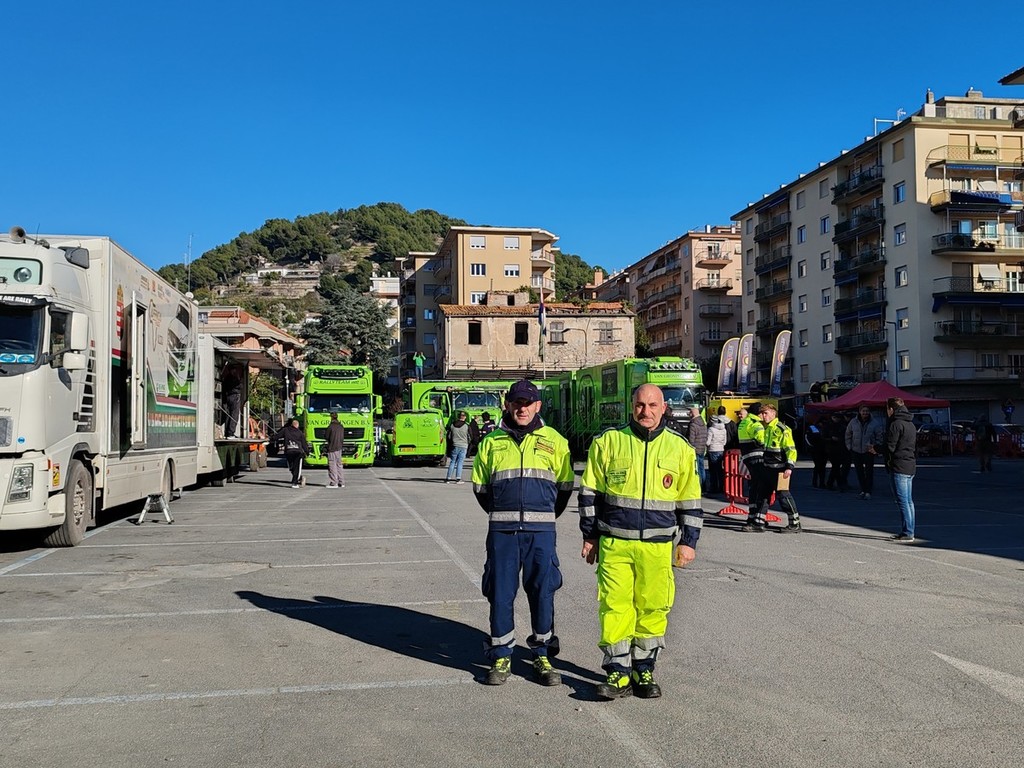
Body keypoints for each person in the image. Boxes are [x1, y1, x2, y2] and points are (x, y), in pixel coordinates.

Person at [579, 384, 702, 700]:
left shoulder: (680, 448)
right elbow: (589, 493)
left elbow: (690, 500)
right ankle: (618, 672)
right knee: (615, 607)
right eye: (639, 405)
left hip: (658, 547)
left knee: (653, 607)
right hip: (615, 544)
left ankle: (643, 669)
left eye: (652, 405)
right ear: (631, 406)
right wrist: (590, 535)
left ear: (663, 408)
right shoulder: (608, 442)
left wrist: (689, 541)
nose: (645, 411)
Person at [472, 379, 574, 686]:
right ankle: (501, 654)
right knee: (500, 593)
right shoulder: (491, 442)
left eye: (528, 403)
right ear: (508, 404)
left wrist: (545, 516)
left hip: (540, 532)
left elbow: (565, 487)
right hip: (502, 533)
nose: (522, 408)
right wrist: (501, 514)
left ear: (537, 406)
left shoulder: (555, 441)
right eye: (517, 402)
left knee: (542, 591)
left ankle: (542, 653)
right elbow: (481, 488)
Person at [753, 402, 801, 533]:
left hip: (780, 470)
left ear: (773, 414)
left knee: (784, 496)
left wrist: (789, 467)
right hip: (767, 468)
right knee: (763, 495)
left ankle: (795, 524)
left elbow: (790, 449)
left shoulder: (782, 429)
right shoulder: (765, 428)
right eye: (762, 413)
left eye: (766, 413)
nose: (763, 416)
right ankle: (758, 523)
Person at [885, 397, 917, 542]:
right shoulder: (910, 423)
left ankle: (908, 532)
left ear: (891, 409)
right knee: (908, 501)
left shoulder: (896, 424)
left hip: (899, 465)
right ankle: (908, 530)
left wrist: (876, 449)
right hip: (910, 464)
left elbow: (890, 446)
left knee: (903, 501)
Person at [738, 403, 770, 532]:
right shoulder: (757, 424)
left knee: (753, 487)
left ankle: (752, 516)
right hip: (758, 458)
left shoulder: (744, 422)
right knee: (761, 488)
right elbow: (762, 440)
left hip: (747, 457)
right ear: (759, 413)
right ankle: (758, 519)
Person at [846, 406, 883, 499]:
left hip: (869, 450)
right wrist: (849, 447)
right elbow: (848, 434)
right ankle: (863, 489)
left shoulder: (874, 423)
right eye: (863, 411)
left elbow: (879, 436)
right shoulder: (853, 422)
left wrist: (875, 447)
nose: (865, 413)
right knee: (859, 471)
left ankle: (868, 491)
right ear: (859, 412)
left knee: (869, 471)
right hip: (856, 450)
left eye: (867, 411)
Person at [275, 418, 309, 488]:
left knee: (291, 467)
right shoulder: (300, 433)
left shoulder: (286, 430)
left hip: (289, 451)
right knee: (296, 467)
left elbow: (277, 436)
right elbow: (304, 443)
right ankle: (295, 482)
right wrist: (307, 452)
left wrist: (271, 438)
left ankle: (296, 480)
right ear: (297, 426)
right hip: (298, 452)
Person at [823, 413, 851, 491]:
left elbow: (846, 436)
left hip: (841, 449)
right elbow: (823, 437)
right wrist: (831, 439)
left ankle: (834, 483)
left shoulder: (842, 426)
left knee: (836, 467)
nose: (836, 419)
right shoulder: (827, 426)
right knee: (836, 466)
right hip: (831, 449)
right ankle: (837, 483)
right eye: (834, 417)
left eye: (838, 417)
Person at [705, 406, 730, 495]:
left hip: (713, 450)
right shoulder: (724, 429)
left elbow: (708, 442)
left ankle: (714, 487)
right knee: (720, 470)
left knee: (713, 471)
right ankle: (722, 486)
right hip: (721, 450)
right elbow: (725, 442)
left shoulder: (711, 429)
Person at [445, 411, 471, 484]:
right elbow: (470, 436)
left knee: (452, 461)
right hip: (463, 445)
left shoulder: (452, 425)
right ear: (464, 417)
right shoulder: (466, 426)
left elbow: (449, 436)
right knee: (460, 462)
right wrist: (468, 442)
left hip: (455, 445)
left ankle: (448, 478)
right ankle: (458, 478)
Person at [686, 406, 708, 493]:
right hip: (702, 448)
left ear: (693, 413)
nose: (688, 414)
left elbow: (691, 439)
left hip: (695, 449)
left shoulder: (693, 424)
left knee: (696, 469)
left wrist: (689, 448)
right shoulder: (703, 423)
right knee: (702, 468)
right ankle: (704, 486)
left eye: (690, 413)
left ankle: (699, 487)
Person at [220, 362, 245, 438]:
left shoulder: (226, 378)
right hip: (234, 396)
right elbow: (240, 386)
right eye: (234, 370)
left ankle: (227, 432)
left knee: (228, 415)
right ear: (232, 370)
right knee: (234, 415)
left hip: (228, 397)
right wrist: (239, 380)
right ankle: (230, 433)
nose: (235, 371)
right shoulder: (233, 378)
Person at [804, 420, 828, 489]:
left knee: (821, 467)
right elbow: (807, 438)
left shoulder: (816, 427)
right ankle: (817, 483)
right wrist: (812, 447)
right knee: (819, 466)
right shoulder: (813, 427)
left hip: (822, 449)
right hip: (816, 450)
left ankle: (820, 483)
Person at [325, 411, 345, 488]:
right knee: (339, 465)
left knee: (332, 465)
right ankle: (341, 482)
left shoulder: (330, 427)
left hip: (332, 447)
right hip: (339, 447)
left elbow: (326, 436)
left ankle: (334, 482)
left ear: (331, 417)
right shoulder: (341, 426)